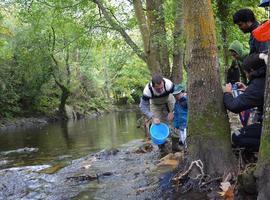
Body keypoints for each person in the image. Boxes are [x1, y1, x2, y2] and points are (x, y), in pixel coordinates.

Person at [223, 53, 266, 152]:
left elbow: (234, 106)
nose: (245, 75)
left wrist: (227, 93)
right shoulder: (264, 79)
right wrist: (248, 89)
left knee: (237, 136)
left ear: (251, 70)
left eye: (246, 72)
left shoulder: (258, 85)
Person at [139, 74, 175, 150]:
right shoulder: (147, 91)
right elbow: (142, 106)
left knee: (175, 120)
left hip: (169, 99)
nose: (161, 90)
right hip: (155, 104)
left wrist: (173, 111)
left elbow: (178, 97)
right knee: (157, 123)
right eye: (158, 89)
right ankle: (162, 147)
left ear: (163, 83)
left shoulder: (169, 84)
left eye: (162, 87)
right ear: (153, 86)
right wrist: (152, 117)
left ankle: (175, 145)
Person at [172, 84, 188, 151]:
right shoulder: (176, 103)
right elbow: (176, 114)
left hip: (186, 125)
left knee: (186, 139)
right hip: (180, 125)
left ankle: (187, 150)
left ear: (182, 92)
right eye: (175, 95)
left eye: (178, 94)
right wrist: (175, 125)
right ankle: (184, 150)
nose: (176, 96)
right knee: (182, 139)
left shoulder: (186, 101)